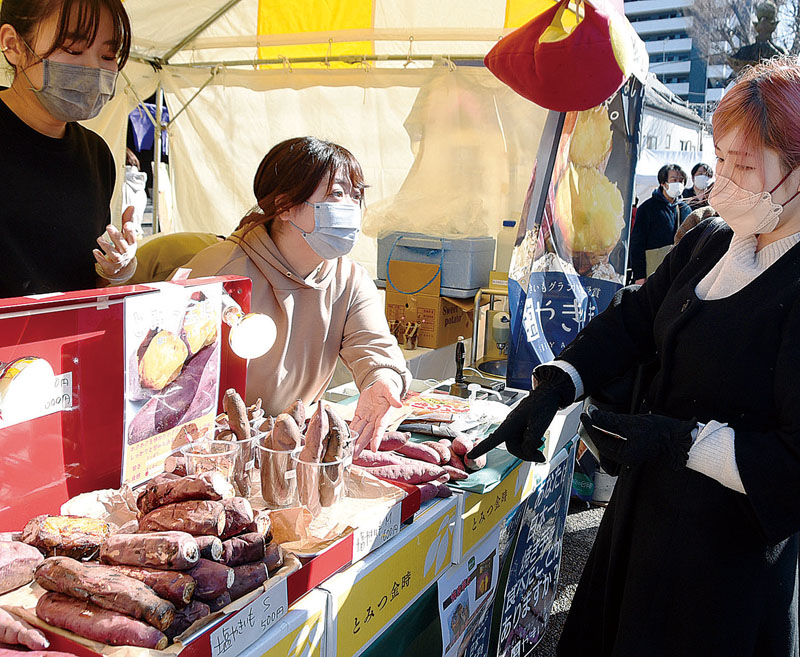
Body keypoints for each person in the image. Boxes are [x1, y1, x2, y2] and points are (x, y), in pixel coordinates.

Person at [469, 56, 800, 656]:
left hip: (727, 565)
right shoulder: (709, 241)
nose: (723, 179)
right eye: (720, 159)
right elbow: (632, 322)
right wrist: (559, 384)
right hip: (644, 526)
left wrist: (680, 442)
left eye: (744, 166)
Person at [184, 137, 412, 454]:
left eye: (354, 195)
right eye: (335, 194)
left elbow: (373, 345)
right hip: (215, 449)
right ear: (286, 206)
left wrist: (383, 380)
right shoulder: (220, 270)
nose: (349, 206)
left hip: (292, 444)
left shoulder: (349, 278)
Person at [0, 0, 138, 298]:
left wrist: (112, 271)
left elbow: (82, 288)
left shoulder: (96, 155)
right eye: (73, 49)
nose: (93, 67)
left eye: (108, 55)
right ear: (13, 45)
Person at [628, 164, 691, 284]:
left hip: (678, 272)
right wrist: (639, 275)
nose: (678, 183)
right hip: (653, 271)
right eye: (674, 180)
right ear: (663, 183)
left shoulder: (685, 209)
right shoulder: (647, 208)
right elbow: (637, 243)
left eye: (681, 180)